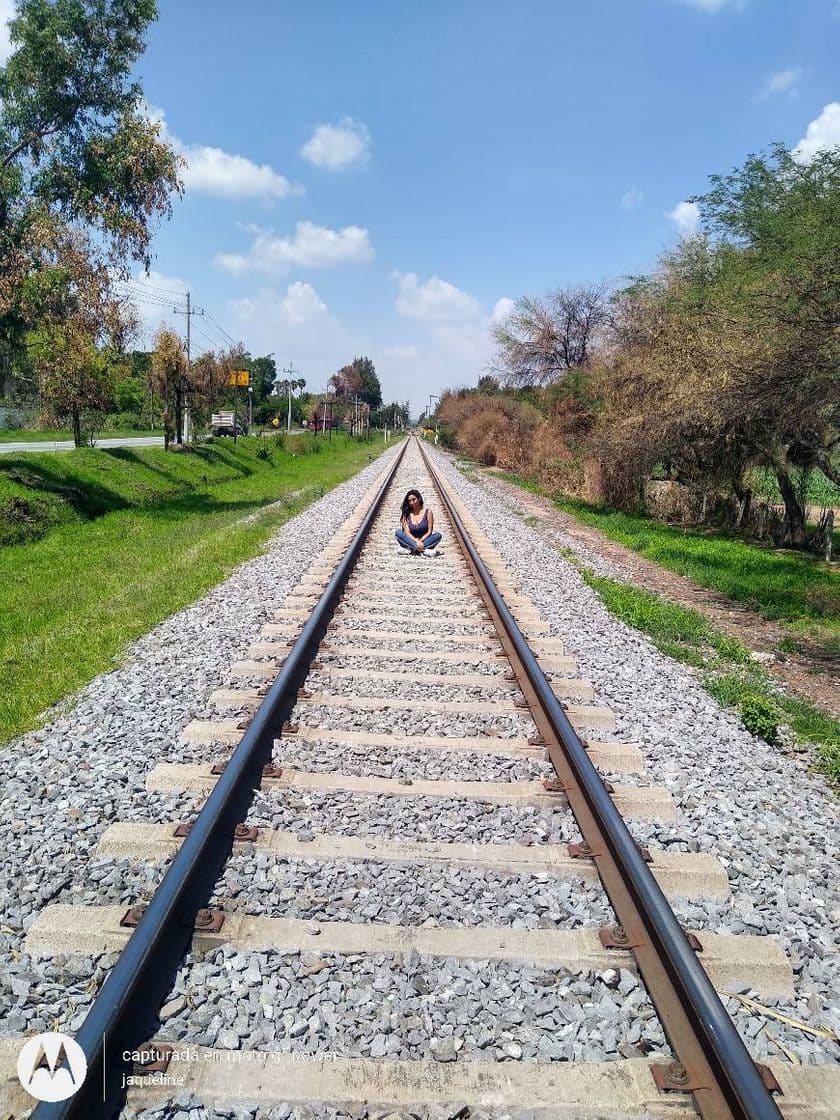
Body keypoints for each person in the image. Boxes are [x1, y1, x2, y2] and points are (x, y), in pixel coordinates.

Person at [395, 489, 442, 556]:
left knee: (438, 535)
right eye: (409, 501)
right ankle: (423, 550)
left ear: (419, 499)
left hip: (425, 540)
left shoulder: (428, 512)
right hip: (411, 540)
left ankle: (411, 550)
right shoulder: (406, 514)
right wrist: (416, 541)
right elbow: (407, 533)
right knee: (398, 532)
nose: (412, 502)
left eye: (414, 499)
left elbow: (429, 531)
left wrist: (421, 541)